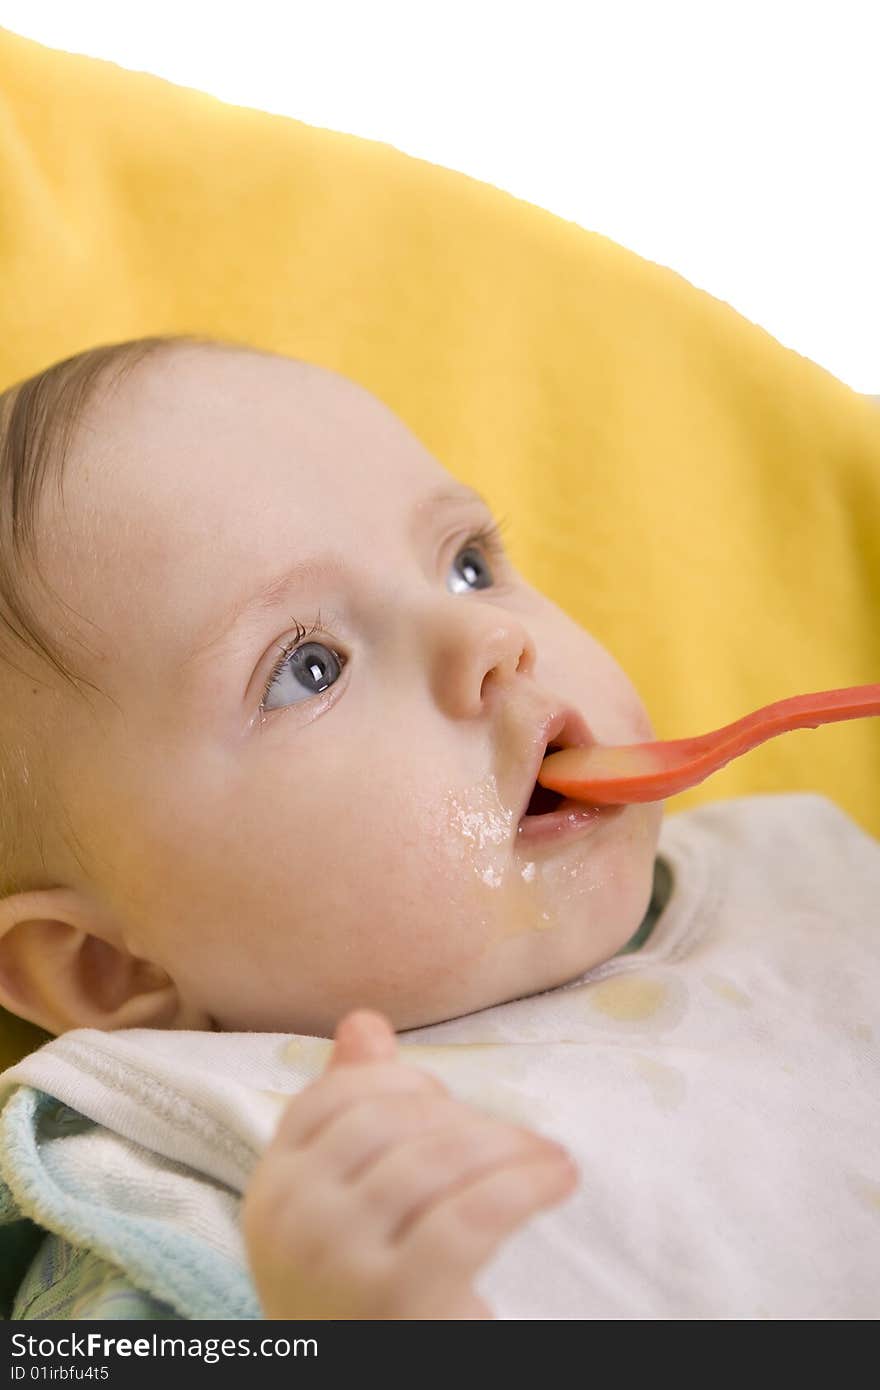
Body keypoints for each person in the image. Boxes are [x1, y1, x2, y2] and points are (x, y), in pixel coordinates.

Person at [0, 336, 877, 1320]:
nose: (492, 639)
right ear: (113, 970)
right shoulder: (202, 1177)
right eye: (309, 666)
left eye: (467, 565)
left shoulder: (808, 883)